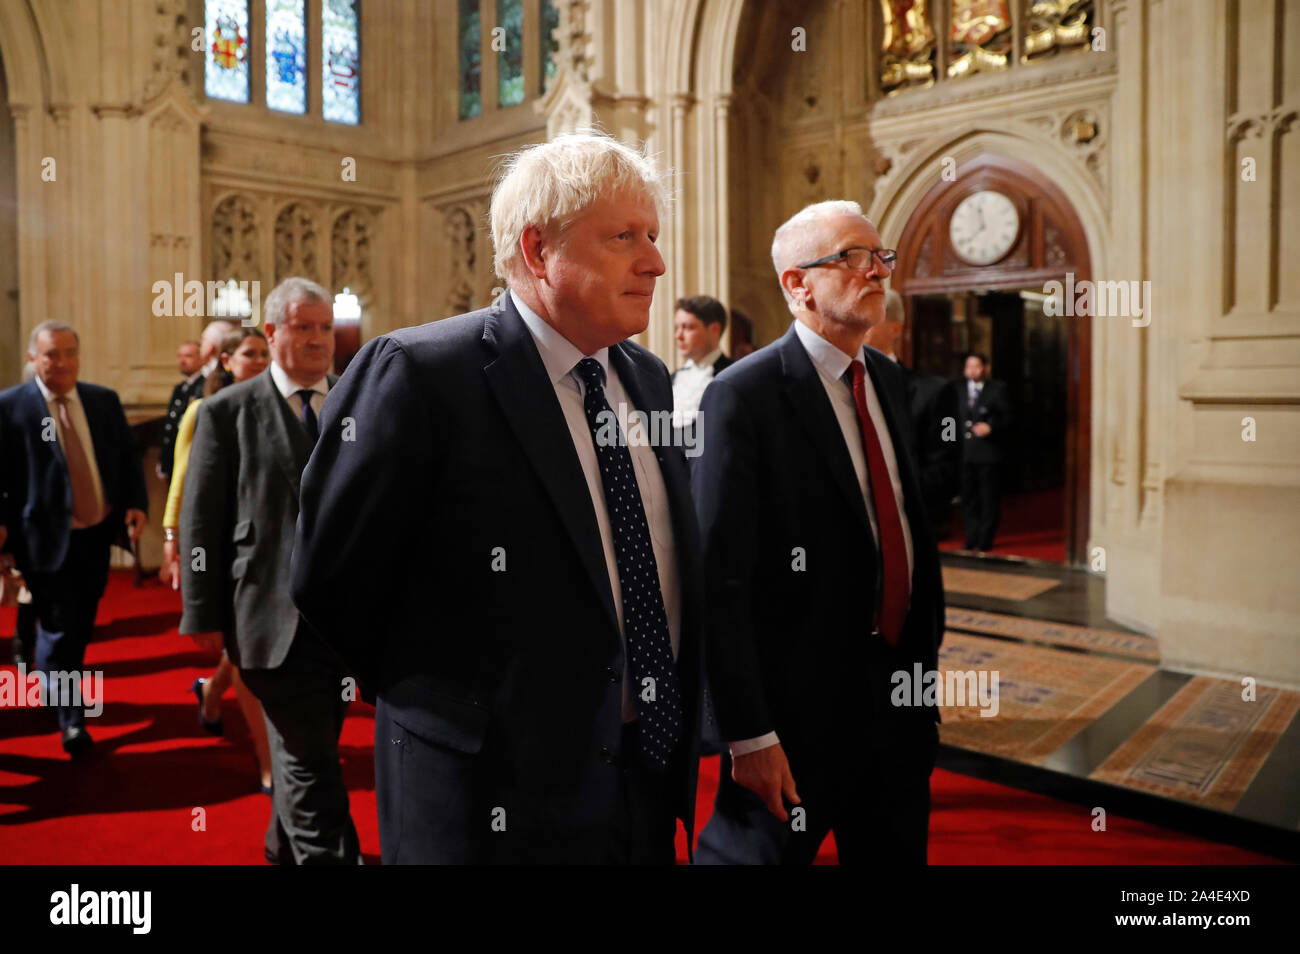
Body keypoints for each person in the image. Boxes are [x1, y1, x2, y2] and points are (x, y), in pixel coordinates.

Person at [292, 132, 704, 865]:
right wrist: (455, 709)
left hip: (641, 781)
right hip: (486, 797)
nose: (656, 262)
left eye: (653, 235)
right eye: (624, 237)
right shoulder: (421, 374)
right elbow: (333, 581)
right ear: (539, 250)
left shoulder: (646, 377)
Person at [692, 200, 944, 864]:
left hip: (897, 711)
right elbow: (720, 579)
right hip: (794, 723)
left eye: (881, 257)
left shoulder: (887, 379)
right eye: (853, 258)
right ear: (797, 284)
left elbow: (907, 535)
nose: (877, 272)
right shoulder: (743, 395)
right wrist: (747, 735)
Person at [179, 278, 360, 865]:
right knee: (311, 758)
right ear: (273, 331)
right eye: (303, 327)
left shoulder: (357, 402)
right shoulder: (226, 411)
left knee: (307, 747)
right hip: (266, 621)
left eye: (325, 327)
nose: (316, 340)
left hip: (345, 629)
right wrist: (201, 614)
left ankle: (280, 847)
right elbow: (201, 521)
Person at [0, 321, 148, 756]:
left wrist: (134, 504)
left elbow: (125, 457)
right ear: (33, 359)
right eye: (51, 355)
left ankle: (51, 681)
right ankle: (73, 721)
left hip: (96, 532)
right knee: (61, 626)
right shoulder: (10, 407)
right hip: (41, 537)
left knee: (80, 624)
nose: (61, 363)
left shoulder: (102, 401)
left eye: (69, 353)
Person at [162, 328, 273, 793]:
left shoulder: (276, 404)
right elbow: (184, 484)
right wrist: (173, 538)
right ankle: (269, 764)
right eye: (250, 354)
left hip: (267, 549)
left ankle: (209, 692)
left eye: (265, 353)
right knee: (245, 654)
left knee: (242, 647)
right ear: (227, 361)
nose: (260, 361)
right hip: (224, 550)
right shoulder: (203, 410)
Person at [866, 291, 960, 540]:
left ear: (895, 329)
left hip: (907, 528)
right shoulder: (828, 385)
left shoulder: (936, 392)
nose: (856, 327)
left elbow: (947, 469)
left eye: (868, 319)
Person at [956, 352, 1012, 552]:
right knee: (968, 498)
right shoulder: (957, 390)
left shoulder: (997, 389)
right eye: (968, 366)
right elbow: (947, 419)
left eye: (976, 366)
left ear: (986, 368)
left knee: (988, 498)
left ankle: (985, 539)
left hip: (988, 453)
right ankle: (971, 537)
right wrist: (948, 442)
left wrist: (991, 427)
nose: (972, 370)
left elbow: (1008, 418)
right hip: (964, 453)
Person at [671, 295, 732, 435]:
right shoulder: (670, 378)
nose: (678, 336)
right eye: (677, 328)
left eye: (687, 327)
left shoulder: (732, 375)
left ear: (715, 329)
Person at [157, 341, 205, 484]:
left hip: (191, 461)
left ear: (201, 358)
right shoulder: (180, 388)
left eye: (188, 356)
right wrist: (164, 460)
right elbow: (170, 427)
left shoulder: (204, 386)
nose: (182, 361)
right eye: (180, 356)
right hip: (175, 459)